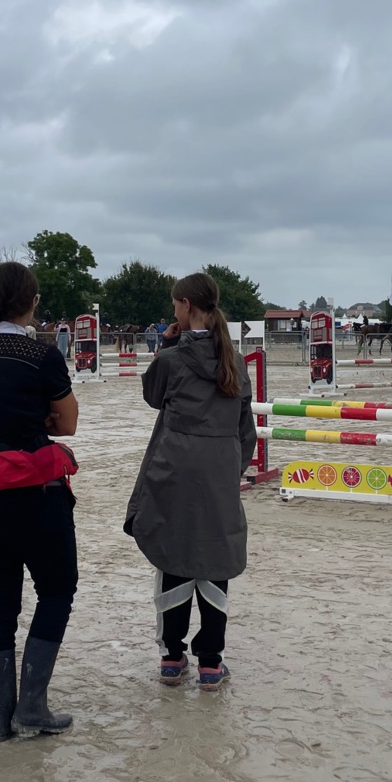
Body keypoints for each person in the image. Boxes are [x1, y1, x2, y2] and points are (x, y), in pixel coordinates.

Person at [124, 272, 256, 692]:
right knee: (215, 559)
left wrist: (166, 343)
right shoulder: (233, 360)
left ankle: (171, 657)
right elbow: (245, 427)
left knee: (173, 554)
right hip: (219, 466)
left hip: (175, 466)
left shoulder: (172, 359)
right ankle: (212, 662)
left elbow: (151, 396)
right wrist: (232, 468)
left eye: (174, 304)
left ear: (185, 306)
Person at [0, 261, 79, 741]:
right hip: (35, 492)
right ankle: (32, 704)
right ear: (32, 302)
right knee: (56, 590)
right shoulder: (43, 354)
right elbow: (68, 421)